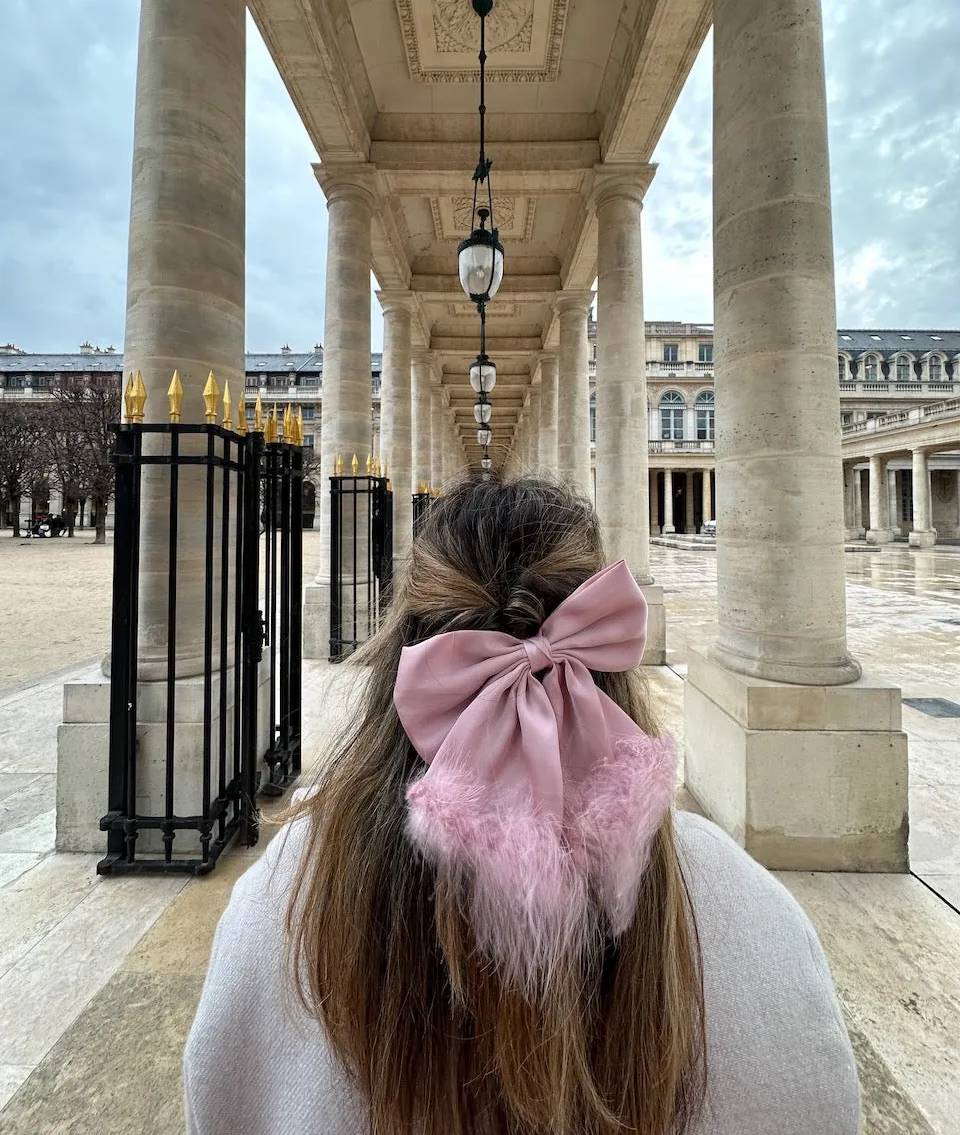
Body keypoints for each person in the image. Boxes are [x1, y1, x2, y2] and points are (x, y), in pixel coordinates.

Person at [184, 476, 861, 1135]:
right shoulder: (748, 905)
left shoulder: (285, 894)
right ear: (613, 666)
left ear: (406, 650)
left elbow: (220, 1093)